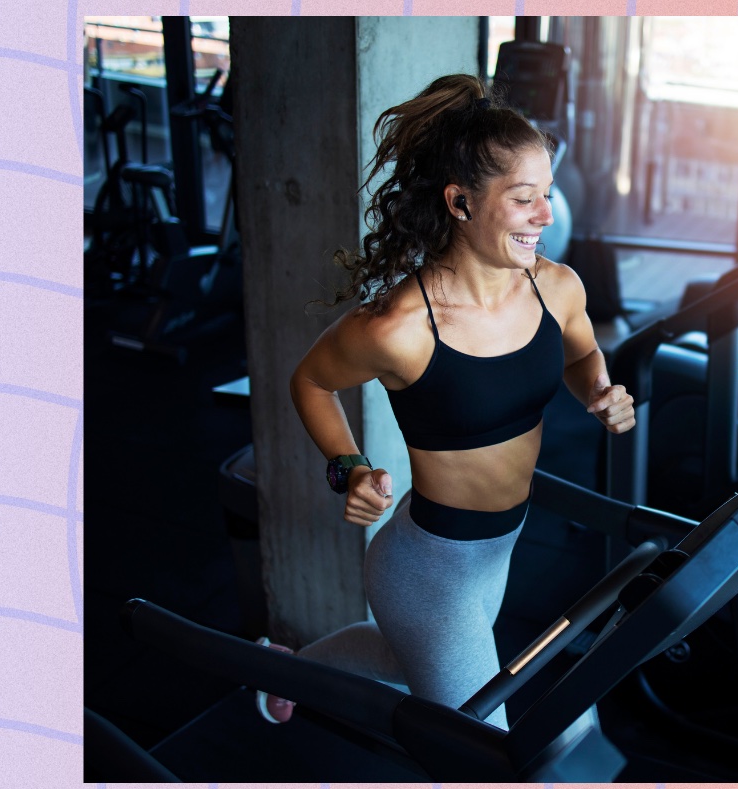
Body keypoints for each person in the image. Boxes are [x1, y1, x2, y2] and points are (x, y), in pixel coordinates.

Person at [261, 74, 635, 731]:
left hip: (499, 549)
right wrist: (345, 469)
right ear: (461, 202)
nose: (547, 216)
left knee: (406, 661)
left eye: (546, 195)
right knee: (479, 750)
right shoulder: (398, 327)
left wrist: (599, 391)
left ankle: (278, 669)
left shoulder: (557, 287)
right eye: (525, 200)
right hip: (428, 571)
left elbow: (579, 355)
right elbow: (310, 382)